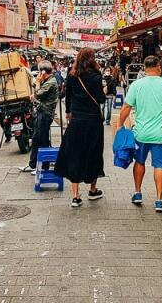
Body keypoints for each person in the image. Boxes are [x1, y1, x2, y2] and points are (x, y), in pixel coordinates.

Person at [119, 55, 162, 213]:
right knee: (160, 166)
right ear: (158, 66)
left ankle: (137, 193)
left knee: (139, 162)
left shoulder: (136, 85)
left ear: (145, 69)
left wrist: (120, 125)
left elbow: (126, 107)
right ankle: (159, 201)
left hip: (141, 133)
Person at [54, 48, 105, 208]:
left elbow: (67, 97)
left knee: (75, 154)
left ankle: (75, 196)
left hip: (76, 121)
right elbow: (101, 99)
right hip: (93, 121)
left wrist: (69, 112)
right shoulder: (96, 76)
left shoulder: (72, 75)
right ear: (92, 59)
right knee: (94, 153)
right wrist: (104, 91)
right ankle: (93, 189)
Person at [20, 61, 60, 173]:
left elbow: (38, 93)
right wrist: (37, 81)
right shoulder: (47, 80)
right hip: (41, 112)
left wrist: (38, 82)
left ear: (43, 71)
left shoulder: (51, 82)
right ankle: (32, 164)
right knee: (36, 138)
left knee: (43, 140)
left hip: (45, 114)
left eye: (39, 71)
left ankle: (44, 167)